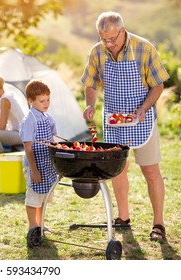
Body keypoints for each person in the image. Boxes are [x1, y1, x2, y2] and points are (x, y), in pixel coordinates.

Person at [81, 11, 169, 240]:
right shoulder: (97, 51)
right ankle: (122, 217)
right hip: (113, 121)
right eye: (104, 39)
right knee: (118, 170)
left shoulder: (144, 48)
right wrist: (90, 105)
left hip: (142, 118)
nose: (108, 44)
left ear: (122, 31)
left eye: (112, 39)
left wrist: (143, 109)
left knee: (150, 170)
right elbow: (90, 84)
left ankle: (158, 223)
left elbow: (158, 85)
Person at [19, 80, 58, 233]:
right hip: (34, 165)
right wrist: (34, 170)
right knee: (33, 197)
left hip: (46, 164)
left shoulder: (48, 118)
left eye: (48, 99)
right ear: (31, 101)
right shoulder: (29, 120)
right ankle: (32, 226)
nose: (46, 103)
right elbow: (28, 148)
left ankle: (40, 223)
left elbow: (52, 139)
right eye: (42, 101)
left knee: (43, 196)